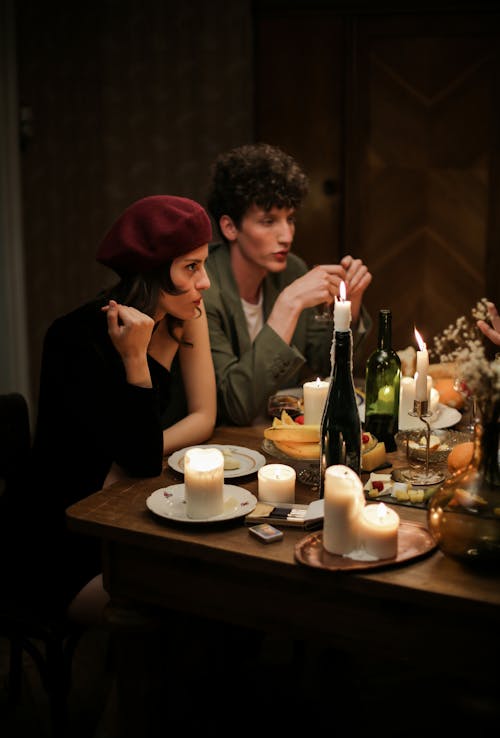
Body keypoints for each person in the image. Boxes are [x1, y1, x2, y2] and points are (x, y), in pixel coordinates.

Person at [27, 195, 216, 612]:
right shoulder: (74, 338)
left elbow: (203, 419)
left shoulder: (186, 316)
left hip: (124, 505)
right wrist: (136, 360)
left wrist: (132, 459)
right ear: (152, 271)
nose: (205, 282)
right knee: (190, 606)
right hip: (65, 534)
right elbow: (143, 457)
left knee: (217, 586)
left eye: (204, 264)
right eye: (191, 267)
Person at [204, 142, 373, 425]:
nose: (286, 236)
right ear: (230, 227)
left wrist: (350, 305)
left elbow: (323, 365)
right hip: (221, 447)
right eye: (269, 221)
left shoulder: (291, 268)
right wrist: (289, 304)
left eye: (290, 219)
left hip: (281, 435)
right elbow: (234, 406)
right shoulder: (204, 287)